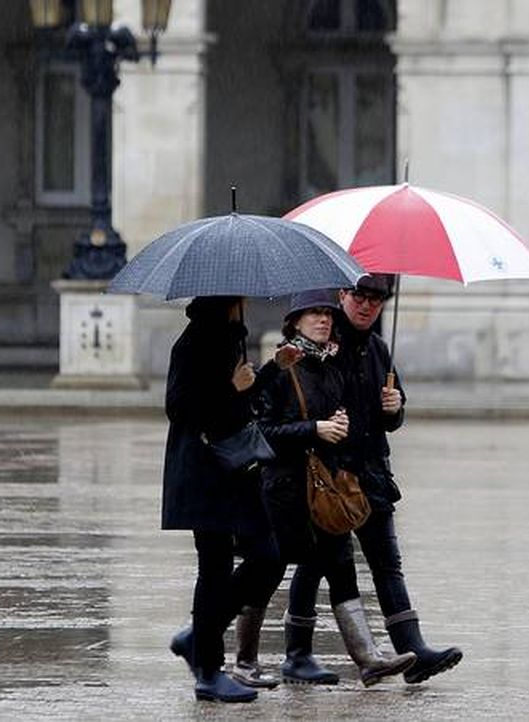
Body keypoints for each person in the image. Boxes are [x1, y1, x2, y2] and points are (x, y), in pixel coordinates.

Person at [255, 289, 416, 687]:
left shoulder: (332, 365)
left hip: (323, 487)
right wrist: (314, 429)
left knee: (341, 567)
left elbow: (348, 422)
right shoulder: (280, 367)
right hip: (286, 490)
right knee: (266, 573)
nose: (324, 320)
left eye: (326, 314)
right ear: (294, 321)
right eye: (313, 314)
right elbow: (262, 431)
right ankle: (239, 655)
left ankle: (368, 659)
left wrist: (373, 414)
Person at [161, 295, 300, 703]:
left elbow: (244, 405)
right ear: (225, 300)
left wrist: (275, 369)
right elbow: (180, 409)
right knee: (215, 566)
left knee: (269, 556)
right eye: (238, 296)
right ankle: (207, 671)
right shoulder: (194, 342)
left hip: (235, 470)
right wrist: (230, 387)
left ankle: (199, 635)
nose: (245, 301)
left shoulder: (230, 338)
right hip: (206, 471)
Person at [331, 273, 463, 684]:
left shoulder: (378, 349)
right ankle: (297, 650)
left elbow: (392, 420)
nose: (367, 305)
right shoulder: (325, 347)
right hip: (332, 477)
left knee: (388, 565)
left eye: (376, 298)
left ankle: (414, 648)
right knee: (320, 566)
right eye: (360, 296)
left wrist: (394, 406)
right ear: (343, 295)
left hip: (373, 474)